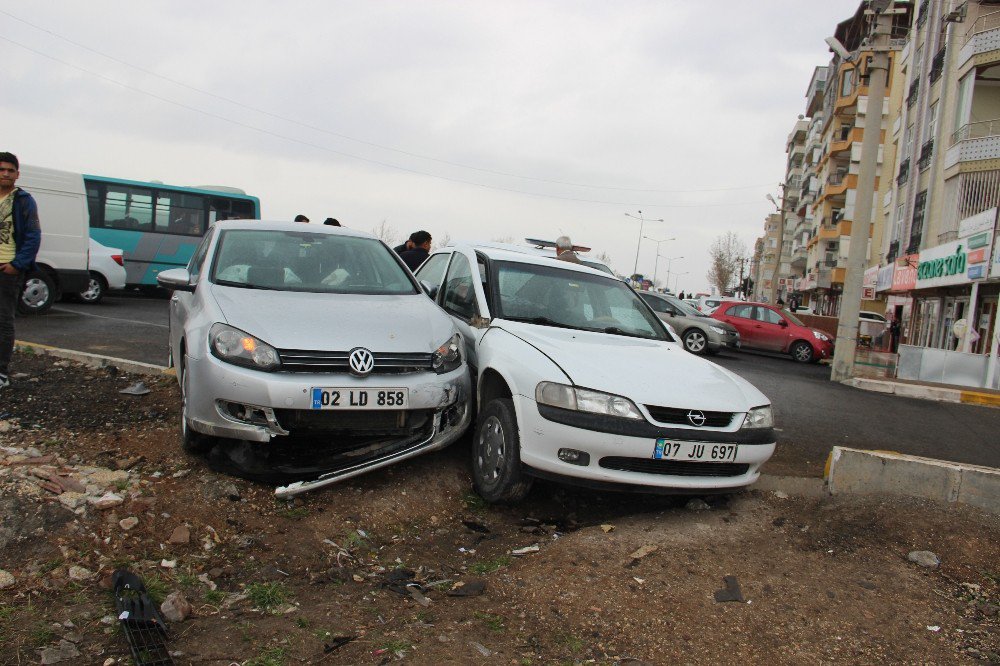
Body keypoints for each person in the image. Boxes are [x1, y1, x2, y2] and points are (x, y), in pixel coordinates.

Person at [0, 152, 42, 390]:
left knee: (3, 321)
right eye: (2, 169)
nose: (6, 173)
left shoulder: (24, 200)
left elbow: (33, 235)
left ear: (17, 174)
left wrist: (17, 265)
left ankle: (1, 372)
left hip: (6, 269)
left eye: (10, 170)